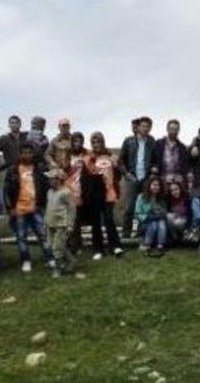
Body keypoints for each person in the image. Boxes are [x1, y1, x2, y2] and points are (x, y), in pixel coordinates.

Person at [5, 142, 55, 273]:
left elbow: (45, 187)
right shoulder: (13, 170)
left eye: (29, 153)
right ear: (20, 154)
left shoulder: (38, 168)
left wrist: (44, 203)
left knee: (43, 234)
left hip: (36, 208)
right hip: (20, 209)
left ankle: (50, 258)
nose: (27, 155)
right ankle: (26, 260)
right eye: (24, 152)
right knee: (21, 236)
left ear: (33, 154)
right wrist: (10, 207)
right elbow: (6, 190)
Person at [83, 131, 124, 260]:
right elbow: (86, 176)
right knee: (96, 221)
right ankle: (98, 249)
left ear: (103, 142)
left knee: (108, 219)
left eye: (99, 141)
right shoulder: (88, 158)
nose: (96, 144)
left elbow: (119, 173)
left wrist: (118, 166)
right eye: (94, 142)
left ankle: (115, 246)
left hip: (109, 193)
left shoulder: (111, 156)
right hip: (95, 194)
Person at [119, 116, 154, 238]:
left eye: (148, 126)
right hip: (132, 178)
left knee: (144, 207)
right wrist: (126, 173)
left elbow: (155, 159)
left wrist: (153, 171)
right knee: (130, 206)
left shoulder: (151, 141)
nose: (145, 128)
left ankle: (140, 233)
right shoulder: (129, 141)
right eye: (143, 126)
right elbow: (120, 160)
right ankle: (126, 234)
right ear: (138, 127)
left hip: (146, 179)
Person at [45, 169, 76, 278]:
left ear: (59, 180)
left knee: (57, 248)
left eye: (51, 179)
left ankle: (57, 269)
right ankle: (71, 260)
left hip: (61, 225)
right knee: (55, 245)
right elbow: (49, 207)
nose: (49, 181)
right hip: (50, 223)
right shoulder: (49, 192)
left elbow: (72, 209)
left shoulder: (66, 192)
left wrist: (70, 225)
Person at [152, 119, 192, 188]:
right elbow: (153, 159)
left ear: (179, 130)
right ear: (167, 129)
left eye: (176, 129)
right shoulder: (159, 143)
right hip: (162, 180)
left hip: (178, 181)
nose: (173, 131)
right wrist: (154, 168)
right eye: (171, 129)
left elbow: (186, 164)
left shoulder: (182, 147)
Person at [134, 176, 168, 257]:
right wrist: (150, 215)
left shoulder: (161, 198)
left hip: (158, 219)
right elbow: (137, 213)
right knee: (153, 224)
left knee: (161, 223)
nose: (156, 187)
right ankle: (147, 244)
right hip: (144, 221)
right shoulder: (141, 197)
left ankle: (160, 245)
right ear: (149, 185)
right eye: (154, 185)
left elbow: (164, 212)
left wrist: (159, 213)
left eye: (158, 185)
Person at [0, 115, 26, 179]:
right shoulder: (4, 139)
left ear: (20, 124)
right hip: (11, 171)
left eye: (16, 123)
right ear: (9, 125)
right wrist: (0, 161)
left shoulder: (26, 137)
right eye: (12, 123)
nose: (14, 125)